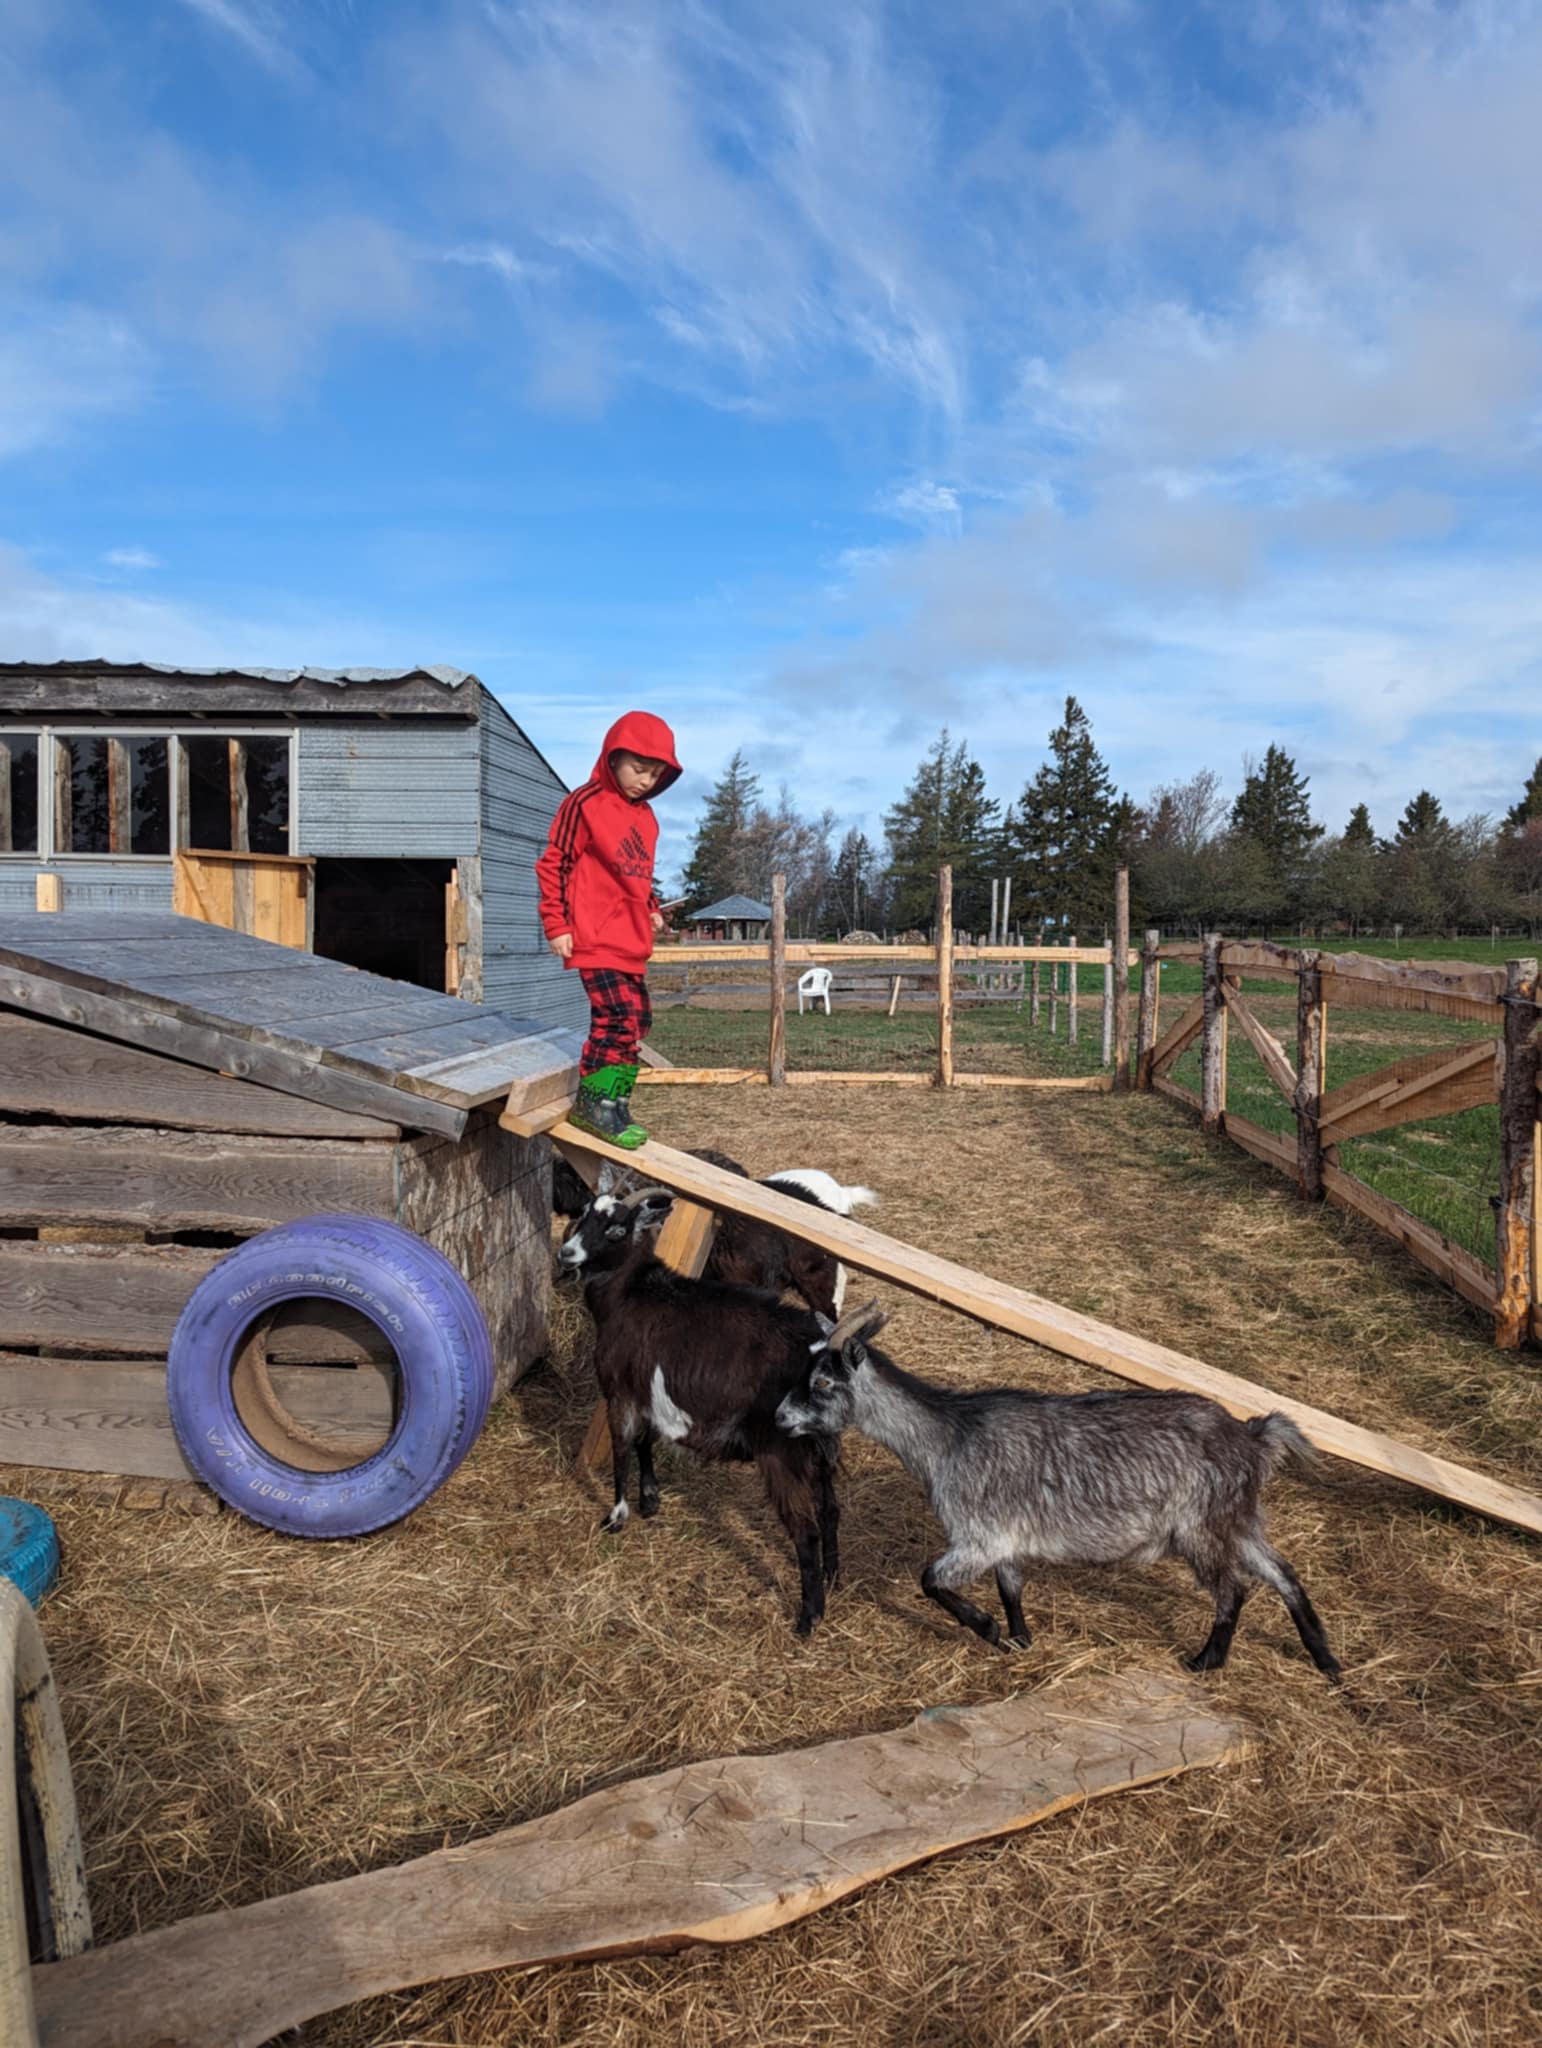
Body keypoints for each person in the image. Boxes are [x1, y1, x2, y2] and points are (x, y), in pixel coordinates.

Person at [536, 710, 681, 1148]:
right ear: (613, 757)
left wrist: (652, 906)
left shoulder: (648, 819)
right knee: (614, 1017)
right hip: (594, 935)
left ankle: (616, 1103)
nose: (646, 781)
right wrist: (557, 924)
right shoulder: (585, 803)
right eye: (639, 769)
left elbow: (639, 878)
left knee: (637, 1021)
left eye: (655, 774)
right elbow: (554, 863)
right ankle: (591, 1106)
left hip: (632, 940)